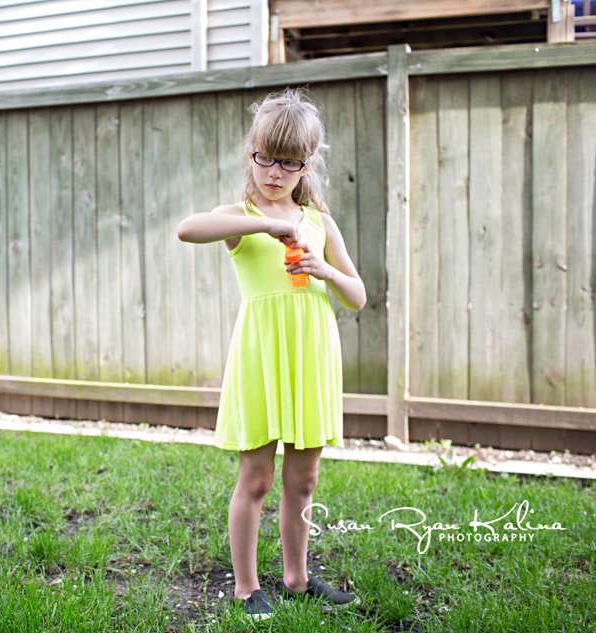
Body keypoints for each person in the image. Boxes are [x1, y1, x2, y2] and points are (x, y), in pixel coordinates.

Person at [176, 88, 366, 620]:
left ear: (307, 164)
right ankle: (244, 586)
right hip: (263, 354)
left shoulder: (318, 221)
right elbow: (187, 228)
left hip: (310, 352)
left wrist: (324, 268)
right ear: (250, 152)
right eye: (265, 157)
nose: (274, 172)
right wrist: (266, 222)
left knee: (303, 479)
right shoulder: (239, 217)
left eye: (289, 162)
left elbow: (358, 295)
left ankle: (297, 579)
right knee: (256, 478)